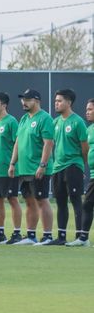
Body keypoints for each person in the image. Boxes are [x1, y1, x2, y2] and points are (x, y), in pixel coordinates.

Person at [9, 89, 55, 245]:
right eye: (22, 99)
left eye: (27, 99)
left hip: (38, 168)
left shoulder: (45, 118)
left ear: (37, 100)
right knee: (29, 201)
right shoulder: (23, 119)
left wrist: (42, 165)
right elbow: (17, 142)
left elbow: (48, 143)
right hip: (24, 168)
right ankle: (30, 235)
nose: (24, 102)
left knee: (42, 200)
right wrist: (12, 163)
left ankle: (48, 236)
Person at [51, 88, 88, 245]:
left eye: (59, 101)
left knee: (75, 200)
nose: (56, 104)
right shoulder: (56, 122)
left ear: (69, 102)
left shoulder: (77, 121)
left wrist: (81, 165)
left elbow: (84, 146)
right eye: (55, 101)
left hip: (73, 165)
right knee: (60, 202)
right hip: (57, 167)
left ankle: (80, 237)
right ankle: (61, 237)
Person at [0, 92, 23, 244]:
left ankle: (17, 233)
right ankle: (0, 232)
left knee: (12, 199)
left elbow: (18, 143)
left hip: (8, 169)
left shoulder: (11, 122)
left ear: (4, 105)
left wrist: (12, 164)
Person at [66, 98, 94, 246]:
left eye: (90, 109)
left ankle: (83, 238)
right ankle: (83, 238)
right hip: (93, 175)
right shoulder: (89, 129)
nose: (87, 112)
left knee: (87, 204)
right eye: (86, 109)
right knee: (88, 204)